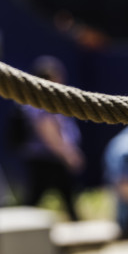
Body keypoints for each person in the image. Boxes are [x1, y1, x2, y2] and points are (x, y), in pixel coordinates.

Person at [17, 55, 85, 220]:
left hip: (48, 159)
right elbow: (48, 132)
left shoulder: (42, 100)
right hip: (47, 160)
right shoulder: (42, 101)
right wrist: (68, 155)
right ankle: (16, 228)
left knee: (64, 197)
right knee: (35, 199)